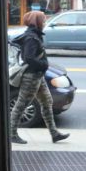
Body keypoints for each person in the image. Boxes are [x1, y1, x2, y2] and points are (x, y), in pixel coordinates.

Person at [9, 11, 70, 144]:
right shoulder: (31, 38)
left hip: (37, 76)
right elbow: (29, 58)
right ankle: (11, 134)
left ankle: (54, 134)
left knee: (47, 102)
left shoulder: (35, 35)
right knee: (21, 104)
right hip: (31, 76)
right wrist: (43, 65)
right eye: (43, 20)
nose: (44, 23)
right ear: (37, 22)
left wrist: (43, 67)